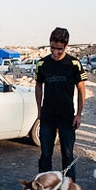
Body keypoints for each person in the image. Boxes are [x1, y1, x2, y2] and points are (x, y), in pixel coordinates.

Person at [35, 27, 87, 182]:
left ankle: (69, 189)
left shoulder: (74, 63)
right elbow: (38, 86)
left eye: (59, 49)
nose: (55, 52)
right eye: (52, 48)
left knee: (68, 154)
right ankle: (44, 186)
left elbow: (81, 88)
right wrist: (39, 110)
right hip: (48, 116)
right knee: (45, 155)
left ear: (66, 45)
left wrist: (79, 114)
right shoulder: (42, 64)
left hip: (67, 117)